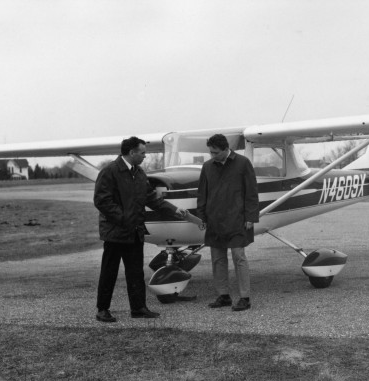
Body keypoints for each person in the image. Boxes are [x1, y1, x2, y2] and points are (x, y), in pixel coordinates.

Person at [93, 136, 186, 322]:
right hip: (115, 234)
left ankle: (139, 309)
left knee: (136, 272)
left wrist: (175, 210)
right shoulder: (110, 171)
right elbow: (102, 201)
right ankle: (102, 309)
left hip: (135, 232)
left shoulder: (140, 173)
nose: (145, 156)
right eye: (142, 152)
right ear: (131, 152)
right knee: (109, 272)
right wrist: (124, 219)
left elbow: (153, 199)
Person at [196, 134, 260, 311]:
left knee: (239, 258)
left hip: (237, 220)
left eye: (215, 153)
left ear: (226, 149)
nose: (212, 156)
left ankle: (244, 298)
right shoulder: (207, 167)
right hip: (214, 221)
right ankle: (223, 295)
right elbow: (202, 194)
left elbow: (252, 192)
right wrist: (202, 217)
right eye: (210, 152)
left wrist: (250, 217)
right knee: (218, 259)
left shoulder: (243, 163)